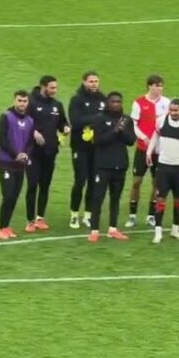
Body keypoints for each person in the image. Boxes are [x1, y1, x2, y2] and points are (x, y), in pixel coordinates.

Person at [146, 99, 179, 244]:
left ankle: (175, 229)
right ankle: (158, 232)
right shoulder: (161, 121)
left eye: (176, 110)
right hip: (164, 166)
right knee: (161, 199)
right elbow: (155, 136)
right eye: (171, 110)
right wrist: (149, 152)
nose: (173, 113)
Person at [87, 92, 135, 243]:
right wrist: (115, 131)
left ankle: (112, 228)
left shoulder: (126, 119)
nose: (117, 104)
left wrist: (122, 131)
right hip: (103, 166)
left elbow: (131, 141)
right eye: (113, 101)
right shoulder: (99, 119)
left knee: (116, 198)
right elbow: (98, 141)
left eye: (119, 102)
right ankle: (94, 230)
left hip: (120, 165)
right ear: (108, 103)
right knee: (98, 198)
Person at [26, 76, 70, 233]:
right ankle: (30, 220)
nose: (55, 91)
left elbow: (62, 122)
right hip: (32, 152)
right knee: (32, 186)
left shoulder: (56, 105)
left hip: (50, 151)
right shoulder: (30, 102)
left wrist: (65, 128)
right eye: (52, 88)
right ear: (43, 87)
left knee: (45, 185)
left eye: (56, 88)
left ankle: (40, 217)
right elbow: (21, 122)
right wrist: (33, 132)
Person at [129, 74, 170, 229]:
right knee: (137, 181)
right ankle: (132, 215)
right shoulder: (139, 103)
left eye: (161, 85)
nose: (160, 88)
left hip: (159, 150)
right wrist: (143, 137)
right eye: (157, 85)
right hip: (143, 148)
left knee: (156, 183)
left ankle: (151, 215)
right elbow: (133, 124)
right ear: (149, 86)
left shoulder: (166, 103)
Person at [67, 71, 106, 230]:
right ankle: (74, 215)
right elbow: (75, 122)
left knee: (93, 182)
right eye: (91, 81)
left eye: (96, 81)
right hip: (80, 148)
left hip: (97, 148)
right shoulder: (77, 100)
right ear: (84, 82)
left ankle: (88, 215)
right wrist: (97, 118)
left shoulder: (103, 100)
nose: (94, 84)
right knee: (80, 180)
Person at [0, 90, 35, 241]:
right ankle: (1, 228)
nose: (22, 104)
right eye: (20, 100)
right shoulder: (5, 117)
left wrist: (26, 154)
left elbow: (31, 142)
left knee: (14, 196)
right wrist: (15, 154)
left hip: (20, 165)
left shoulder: (30, 121)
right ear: (14, 101)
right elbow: (0, 139)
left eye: (25, 101)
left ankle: (7, 226)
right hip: (6, 163)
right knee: (8, 196)